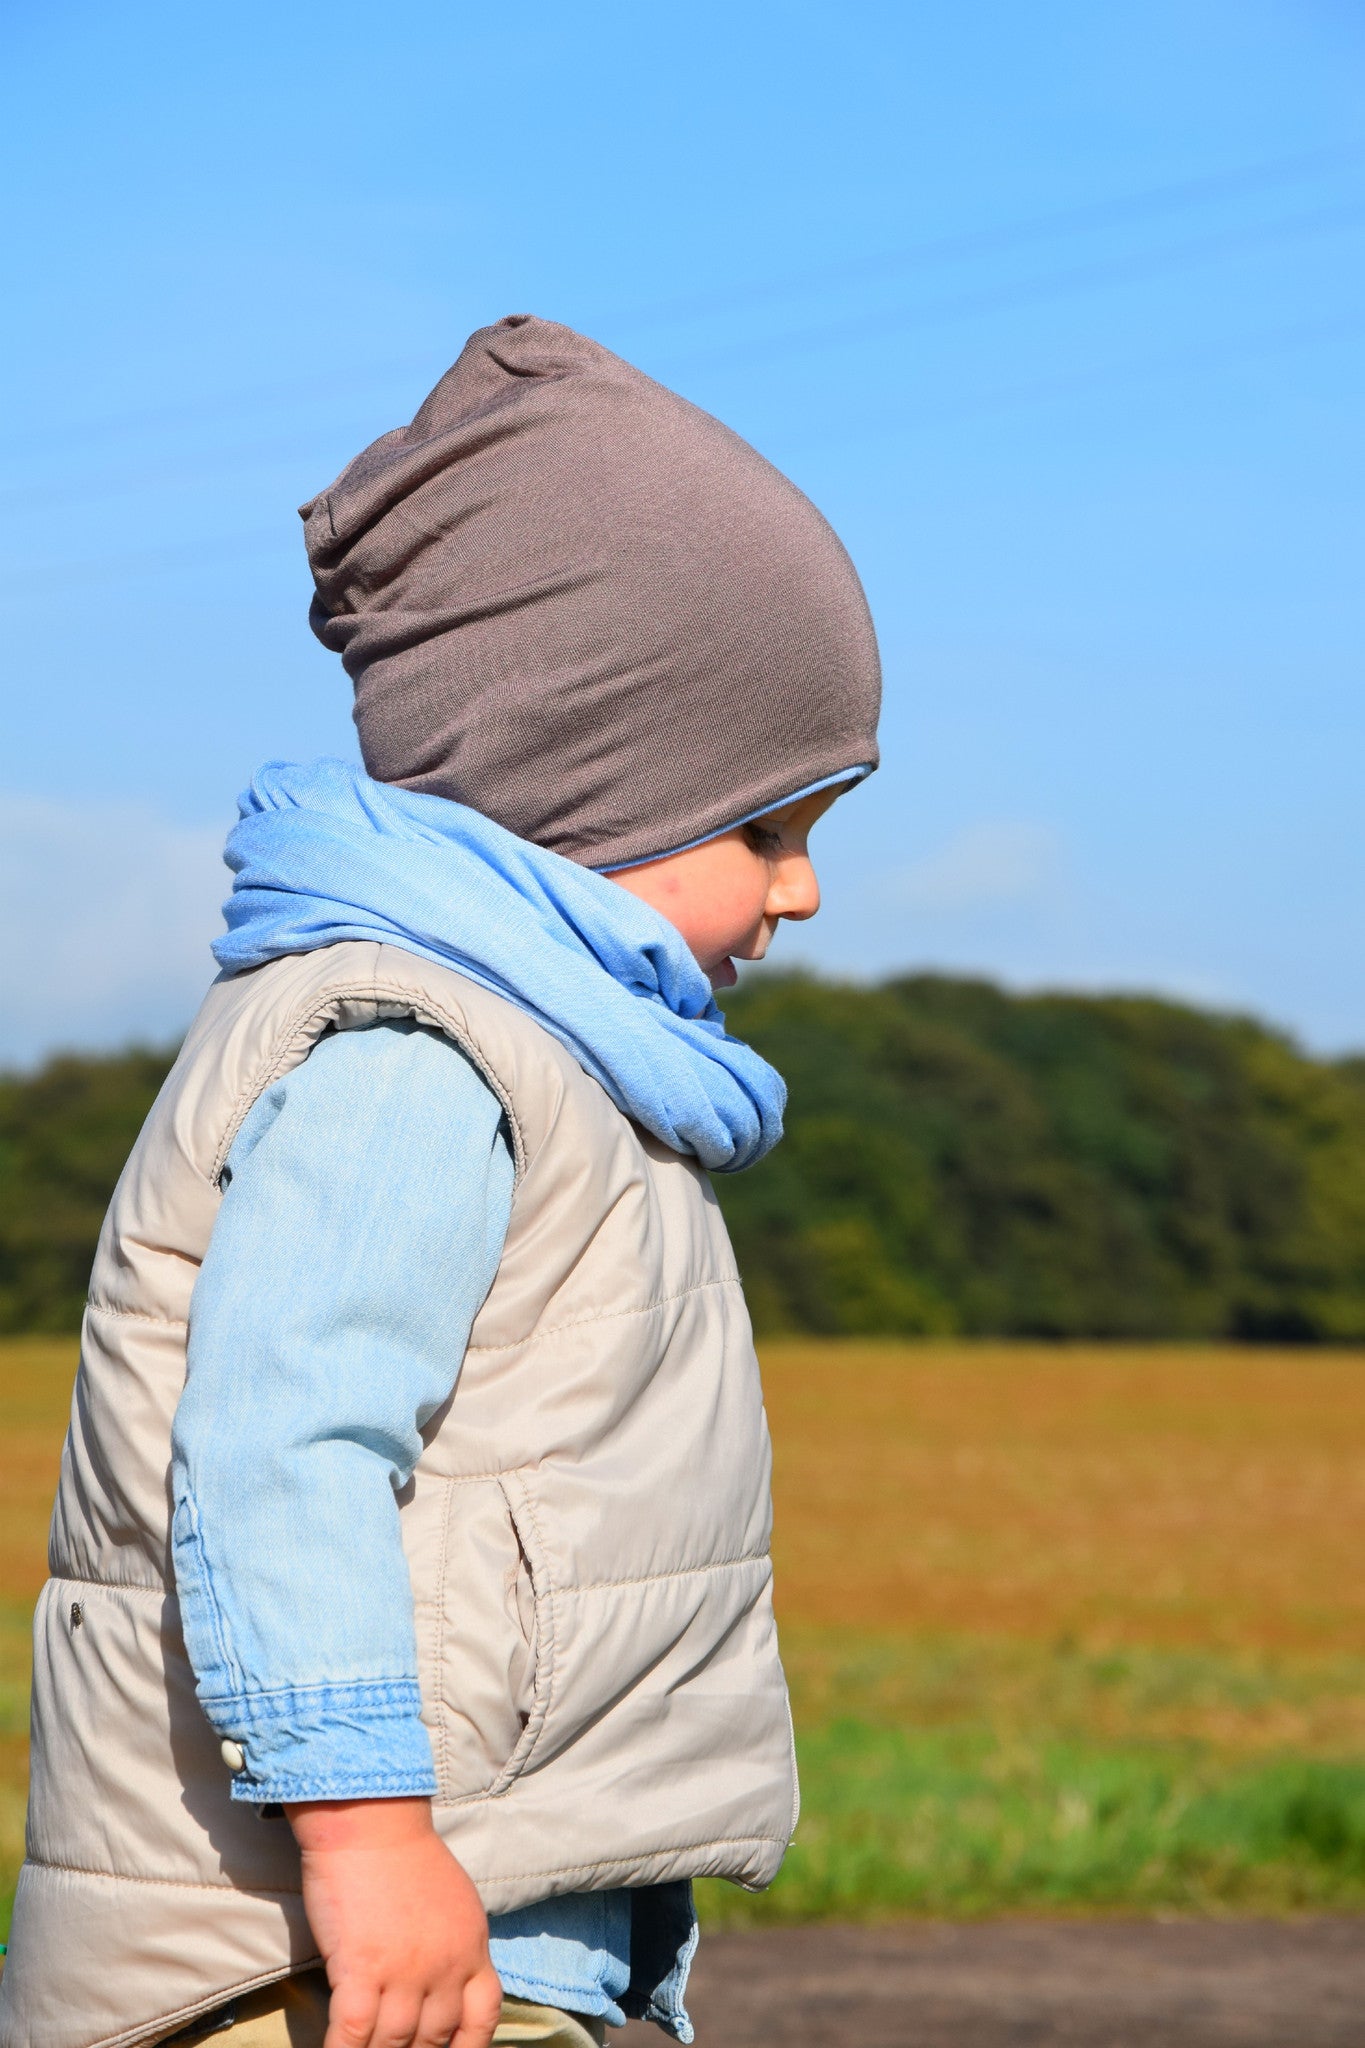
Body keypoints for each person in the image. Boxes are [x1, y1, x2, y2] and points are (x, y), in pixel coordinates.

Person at [0, 315, 881, 2048]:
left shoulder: (551, 1059)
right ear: (590, 779)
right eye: (767, 830)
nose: (800, 894)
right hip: (318, 1947)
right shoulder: (411, 1048)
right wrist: (370, 1840)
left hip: (477, 1916)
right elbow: (285, 1453)